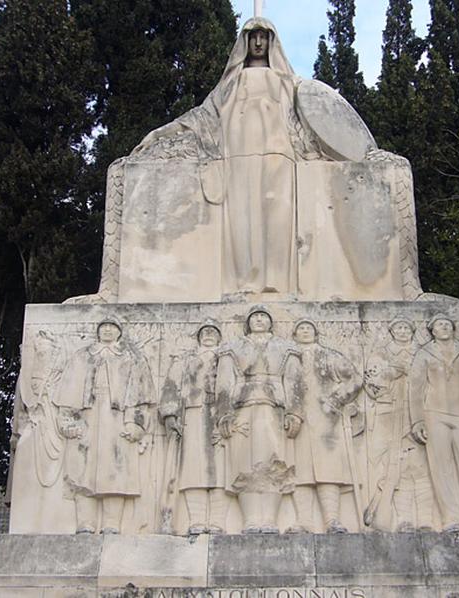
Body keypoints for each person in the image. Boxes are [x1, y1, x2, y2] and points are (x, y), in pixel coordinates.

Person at [133, 18, 321, 297]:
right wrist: (160, 134)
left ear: (272, 42)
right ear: (244, 42)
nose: (258, 43)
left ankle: (278, 283)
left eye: (264, 37)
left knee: (277, 217)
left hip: (279, 157)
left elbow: (312, 119)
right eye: (252, 36)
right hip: (237, 158)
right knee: (242, 220)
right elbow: (202, 117)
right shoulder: (230, 84)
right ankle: (244, 282)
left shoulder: (287, 83)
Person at [53, 320, 155, 534]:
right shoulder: (82, 356)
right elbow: (68, 392)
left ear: (119, 332)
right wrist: (68, 420)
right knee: (82, 472)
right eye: (104, 326)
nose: (108, 330)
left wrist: (136, 423)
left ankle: (112, 523)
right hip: (88, 416)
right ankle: (85, 523)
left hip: (118, 419)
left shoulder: (131, 358)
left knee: (116, 472)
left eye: (113, 327)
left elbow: (141, 395)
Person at [215, 306, 303, 533]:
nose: (259, 320)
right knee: (244, 466)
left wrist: (295, 412)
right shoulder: (233, 348)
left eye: (264, 316)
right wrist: (224, 413)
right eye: (255, 317)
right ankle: (251, 519)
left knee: (275, 464)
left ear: (271, 322)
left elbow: (294, 381)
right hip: (243, 408)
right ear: (248, 322)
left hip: (274, 409)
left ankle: (271, 520)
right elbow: (224, 383)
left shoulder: (285, 348)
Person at [409, 314, 459, 532]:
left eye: (447, 324)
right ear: (432, 330)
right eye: (439, 325)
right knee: (441, 469)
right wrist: (417, 420)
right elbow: (416, 389)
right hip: (434, 415)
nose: (443, 327)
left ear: (453, 328)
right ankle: (451, 519)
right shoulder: (425, 353)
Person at [287, 319, 361, 533]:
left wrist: (339, 397)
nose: (305, 332)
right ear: (294, 334)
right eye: (300, 328)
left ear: (316, 333)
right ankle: (304, 520)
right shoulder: (289, 357)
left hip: (326, 419)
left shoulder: (329, 355)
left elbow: (354, 378)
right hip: (297, 420)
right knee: (300, 470)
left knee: (329, 469)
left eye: (309, 328)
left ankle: (332, 520)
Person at [364, 319, 435, 531]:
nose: (402, 331)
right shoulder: (382, 352)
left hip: (421, 414)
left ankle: (425, 520)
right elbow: (371, 382)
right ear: (392, 331)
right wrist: (393, 371)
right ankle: (403, 519)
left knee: (422, 469)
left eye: (406, 327)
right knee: (395, 470)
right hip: (390, 414)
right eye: (398, 328)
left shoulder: (424, 352)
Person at [159, 319, 228, 535]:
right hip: (193, 413)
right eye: (204, 331)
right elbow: (171, 386)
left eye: (213, 331)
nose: (208, 335)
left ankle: (218, 520)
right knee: (192, 470)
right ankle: (196, 520)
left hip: (223, 416)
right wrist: (170, 415)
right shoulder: (185, 359)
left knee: (223, 471)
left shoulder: (228, 357)